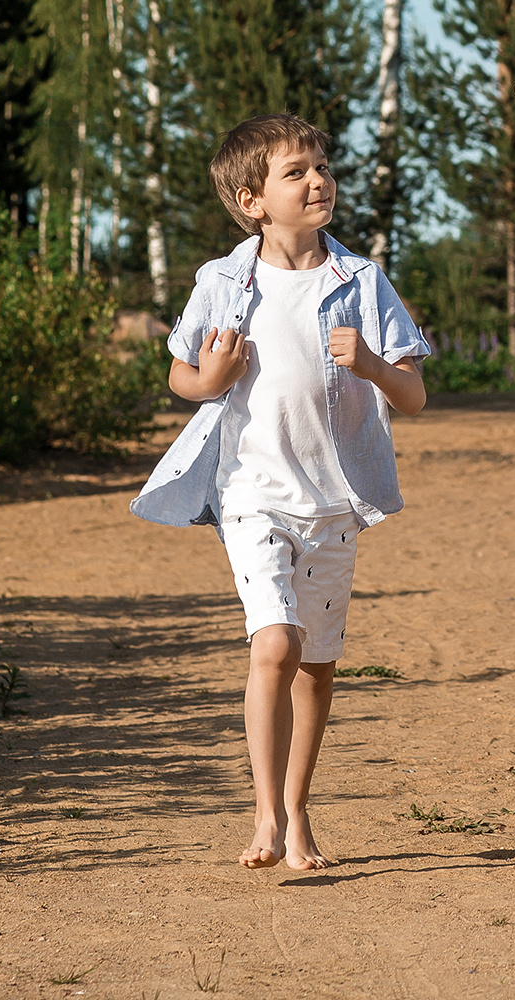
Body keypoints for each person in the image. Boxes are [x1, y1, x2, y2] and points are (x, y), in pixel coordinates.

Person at [128, 115, 430, 872]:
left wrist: (373, 366)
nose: (318, 180)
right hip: (250, 492)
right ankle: (264, 815)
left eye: (322, 165)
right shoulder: (223, 282)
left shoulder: (361, 282)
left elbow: (414, 394)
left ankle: (298, 813)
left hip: (334, 502)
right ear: (252, 200)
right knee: (276, 644)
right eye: (296, 171)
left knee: (316, 667)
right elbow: (181, 374)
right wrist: (211, 379)